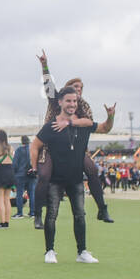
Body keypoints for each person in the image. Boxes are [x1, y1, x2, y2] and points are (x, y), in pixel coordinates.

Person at [37, 51, 116, 222]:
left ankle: (102, 208)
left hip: (74, 149)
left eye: (81, 88)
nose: (79, 91)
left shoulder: (84, 106)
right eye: (76, 87)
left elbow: (90, 124)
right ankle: (37, 213)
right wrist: (44, 66)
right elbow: (49, 86)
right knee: (44, 175)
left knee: (92, 170)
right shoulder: (58, 100)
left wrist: (109, 117)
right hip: (51, 148)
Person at [30, 88, 99, 265]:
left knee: (80, 215)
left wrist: (111, 116)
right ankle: (49, 251)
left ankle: (82, 251)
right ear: (60, 102)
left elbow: (103, 126)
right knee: (52, 214)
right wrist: (34, 166)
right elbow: (35, 145)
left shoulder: (81, 123)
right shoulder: (51, 126)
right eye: (68, 101)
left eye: (75, 101)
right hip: (55, 179)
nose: (72, 104)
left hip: (76, 179)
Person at [13, 135, 33, 220]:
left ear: (22, 141)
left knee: (19, 194)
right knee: (32, 193)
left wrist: (14, 173)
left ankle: (20, 213)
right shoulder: (32, 149)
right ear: (28, 141)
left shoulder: (18, 150)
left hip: (20, 174)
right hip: (32, 174)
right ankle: (32, 212)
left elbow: (15, 163)